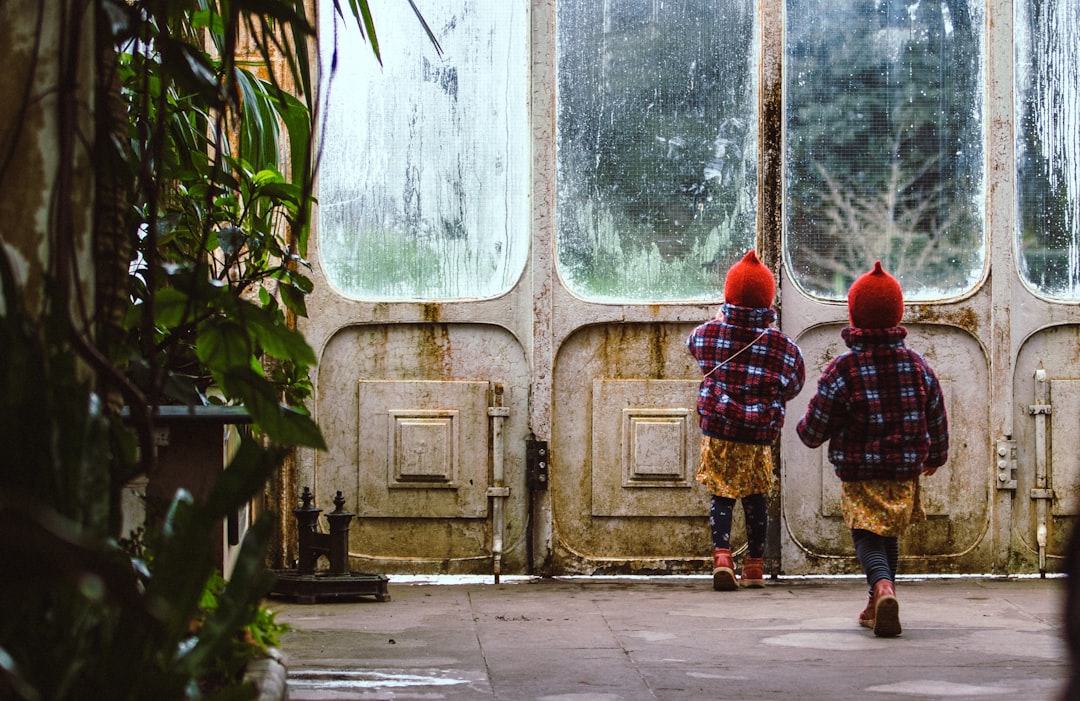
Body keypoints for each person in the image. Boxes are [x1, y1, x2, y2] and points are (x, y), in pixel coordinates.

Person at [796, 261, 949, 637]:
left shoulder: (843, 369)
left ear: (854, 316)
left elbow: (817, 423)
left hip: (861, 471)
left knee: (867, 534)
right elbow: (937, 414)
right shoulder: (918, 366)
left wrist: (808, 433)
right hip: (904, 471)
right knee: (890, 533)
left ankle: (882, 587)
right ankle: (877, 600)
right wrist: (935, 456)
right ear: (898, 313)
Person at [688, 250, 805, 591]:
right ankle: (754, 566)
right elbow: (794, 384)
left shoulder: (708, 334)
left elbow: (692, 346)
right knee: (755, 497)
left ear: (728, 296)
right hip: (758, 436)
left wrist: (719, 321)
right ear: (766, 300)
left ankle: (722, 557)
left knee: (721, 495)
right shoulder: (781, 346)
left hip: (720, 433)